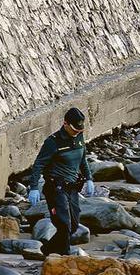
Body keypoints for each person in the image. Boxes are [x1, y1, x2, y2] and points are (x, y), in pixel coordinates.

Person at [28, 107, 95, 256]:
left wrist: (89, 178)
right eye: (74, 129)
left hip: (72, 188)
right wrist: (33, 187)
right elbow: (38, 164)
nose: (77, 132)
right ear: (65, 123)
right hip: (56, 189)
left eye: (80, 130)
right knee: (63, 224)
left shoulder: (79, 136)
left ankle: (47, 250)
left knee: (74, 225)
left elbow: (82, 159)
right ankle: (66, 256)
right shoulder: (53, 142)